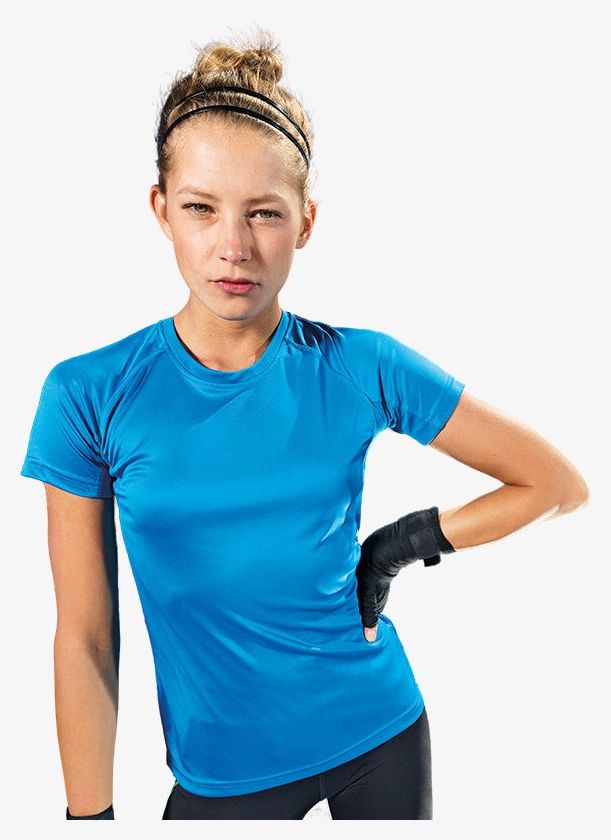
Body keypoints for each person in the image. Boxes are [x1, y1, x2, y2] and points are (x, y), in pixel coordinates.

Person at [20, 28, 590, 821]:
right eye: (200, 208)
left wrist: (397, 545)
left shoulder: (360, 364)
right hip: (222, 775)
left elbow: (555, 484)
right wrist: (90, 822)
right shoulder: (88, 393)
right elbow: (85, 638)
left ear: (305, 222)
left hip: (379, 733)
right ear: (161, 211)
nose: (232, 246)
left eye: (264, 213)